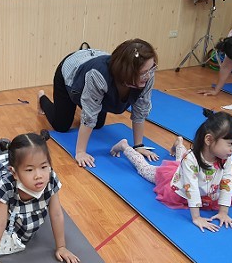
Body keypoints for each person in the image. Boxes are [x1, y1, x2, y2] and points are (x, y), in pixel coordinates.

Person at [109, 109, 232, 233]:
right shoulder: (190, 159)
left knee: (181, 161)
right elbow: (191, 188)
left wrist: (223, 212)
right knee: (145, 169)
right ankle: (124, 146)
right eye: (230, 143)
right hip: (177, 183)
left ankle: (179, 143)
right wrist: (196, 218)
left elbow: (227, 181)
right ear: (209, 139)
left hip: (199, 184)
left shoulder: (225, 157)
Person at [0, 130, 80, 263]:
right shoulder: (6, 184)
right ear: (14, 173)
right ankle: (6, 153)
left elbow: (56, 214)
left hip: (18, 162)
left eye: (44, 167)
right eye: (30, 170)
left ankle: (20, 160)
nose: (38, 175)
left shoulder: (50, 179)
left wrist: (61, 247)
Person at [38, 39, 159, 168]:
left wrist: (138, 146)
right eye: (143, 73)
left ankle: (85, 100)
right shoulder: (99, 75)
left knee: (98, 124)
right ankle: (41, 98)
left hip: (94, 66)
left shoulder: (147, 76)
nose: (148, 75)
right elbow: (90, 115)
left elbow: (140, 110)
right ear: (127, 71)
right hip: (72, 71)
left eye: (151, 69)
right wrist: (80, 152)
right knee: (61, 125)